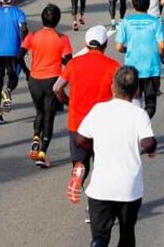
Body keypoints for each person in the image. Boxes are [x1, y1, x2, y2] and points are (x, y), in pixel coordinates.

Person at [76, 66, 157, 247]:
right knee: (127, 234)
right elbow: (149, 143)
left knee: (100, 237)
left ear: (112, 86)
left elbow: (80, 139)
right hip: (129, 188)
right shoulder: (139, 114)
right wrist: (150, 151)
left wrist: (96, 148)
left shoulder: (98, 109)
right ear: (137, 90)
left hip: (100, 187)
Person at [53, 25, 119, 203]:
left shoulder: (74, 64)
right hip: (103, 123)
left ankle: (79, 172)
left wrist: (68, 102)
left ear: (86, 44)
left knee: (80, 160)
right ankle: (94, 207)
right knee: (102, 165)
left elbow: (57, 87)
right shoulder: (114, 66)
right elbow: (120, 95)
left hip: (77, 122)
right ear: (105, 44)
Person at [20, 4, 72, 168]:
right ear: (57, 20)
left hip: (34, 81)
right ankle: (42, 153)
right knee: (49, 117)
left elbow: (19, 55)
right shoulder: (61, 38)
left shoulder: (33, 35)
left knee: (39, 112)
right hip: (52, 81)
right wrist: (61, 63)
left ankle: (36, 136)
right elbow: (69, 62)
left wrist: (27, 72)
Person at [115, 0, 164, 118]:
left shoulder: (125, 22)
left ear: (132, 4)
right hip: (152, 68)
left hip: (132, 69)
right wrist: (162, 56)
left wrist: (127, 50)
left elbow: (118, 47)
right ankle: (142, 123)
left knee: (134, 100)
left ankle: (135, 128)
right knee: (151, 104)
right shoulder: (155, 21)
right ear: (149, 4)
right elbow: (162, 45)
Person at [0, 0, 28, 125]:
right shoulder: (19, 13)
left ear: (0, 0)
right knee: (13, 77)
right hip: (13, 51)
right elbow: (23, 29)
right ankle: (8, 90)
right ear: (13, 0)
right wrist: (23, 44)